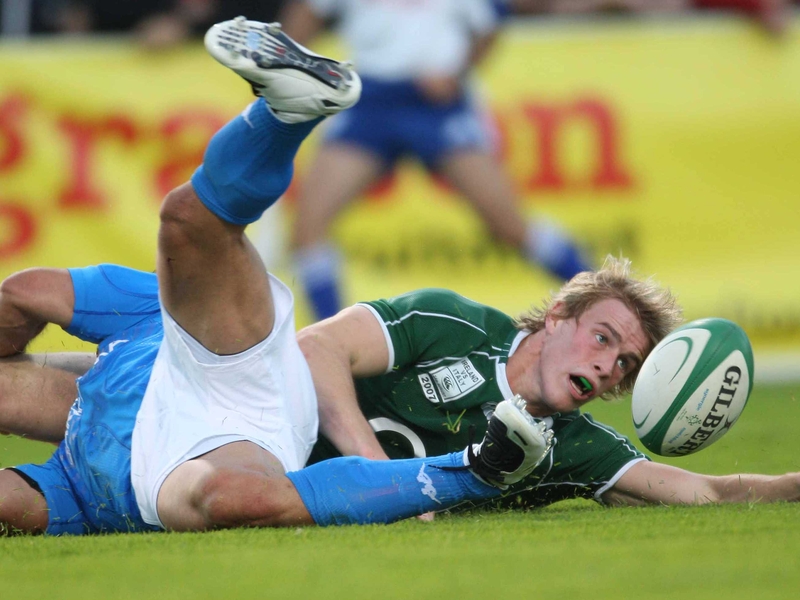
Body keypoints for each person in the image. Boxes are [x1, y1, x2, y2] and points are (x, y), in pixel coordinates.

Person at [0, 17, 555, 536]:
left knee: (184, 223)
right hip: (110, 477)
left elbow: (26, 295)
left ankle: (286, 111)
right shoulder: (72, 468)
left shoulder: (147, 316)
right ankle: (479, 468)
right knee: (230, 494)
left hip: (225, 400)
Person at [5, 257, 798, 515]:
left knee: (70, 422)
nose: (608, 367)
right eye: (603, 337)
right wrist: (383, 478)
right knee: (47, 382)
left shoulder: (570, 446)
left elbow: (709, 491)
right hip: (240, 398)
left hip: (229, 463)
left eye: (625, 366)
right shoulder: (456, 325)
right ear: (558, 316)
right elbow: (318, 349)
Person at [274, 0, 592, 321]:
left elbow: (490, 24)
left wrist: (457, 73)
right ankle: (334, 339)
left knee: (509, 226)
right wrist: (283, 67)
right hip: (370, 99)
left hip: (436, 105)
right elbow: (308, 13)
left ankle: (599, 294)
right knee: (308, 230)